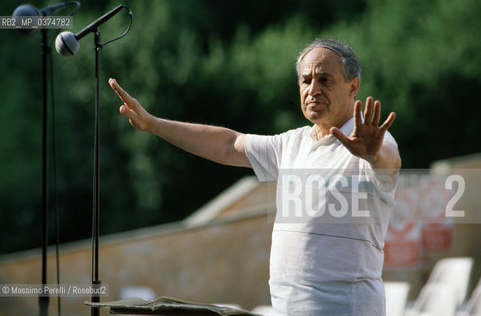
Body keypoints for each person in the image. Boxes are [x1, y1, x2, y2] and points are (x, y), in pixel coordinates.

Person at [109, 38, 401, 316]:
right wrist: (154, 125)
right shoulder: (293, 144)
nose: (313, 89)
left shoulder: (372, 143)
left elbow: (388, 163)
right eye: (305, 80)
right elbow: (227, 144)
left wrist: (372, 154)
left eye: (325, 80)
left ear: (353, 87)